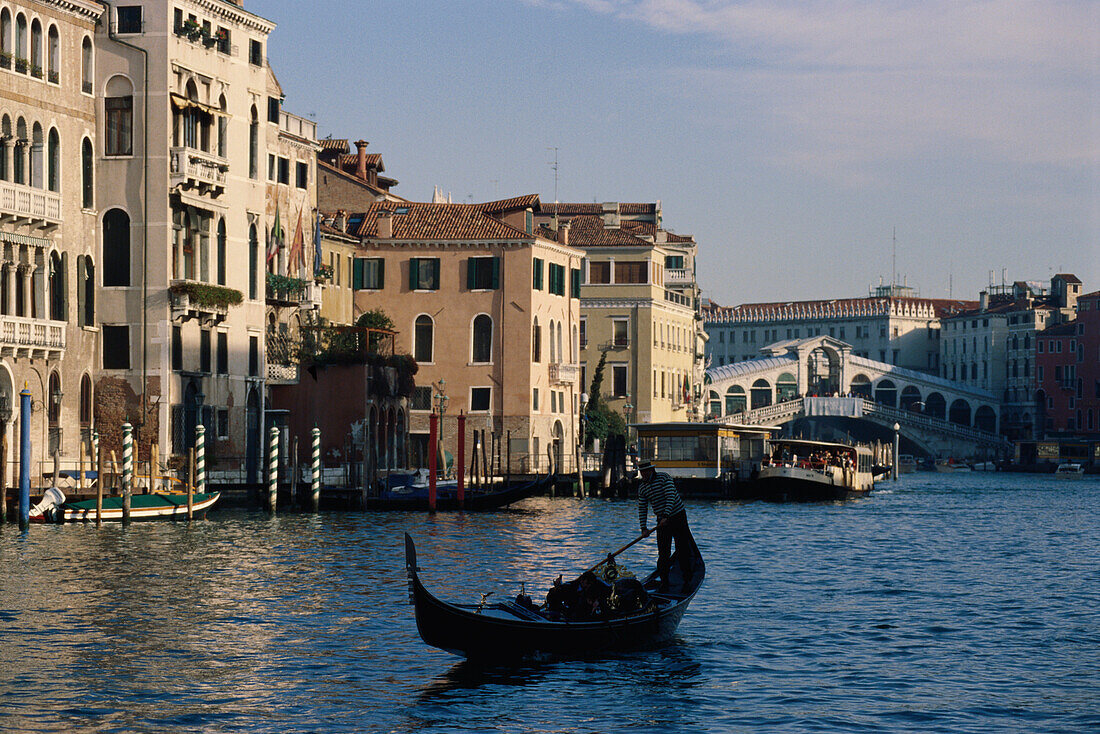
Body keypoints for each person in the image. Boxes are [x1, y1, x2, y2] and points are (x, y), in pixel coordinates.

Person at [637, 460, 696, 592]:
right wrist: (644, 528)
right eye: (641, 472)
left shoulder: (664, 478)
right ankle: (664, 581)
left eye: (645, 471)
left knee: (682, 548)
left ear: (651, 470)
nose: (643, 474)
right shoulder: (642, 487)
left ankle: (687, 578)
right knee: (663, 552)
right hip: (662, 520)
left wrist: (666, 516)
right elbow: (642, 508)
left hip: (677, 516)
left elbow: (671, 497)